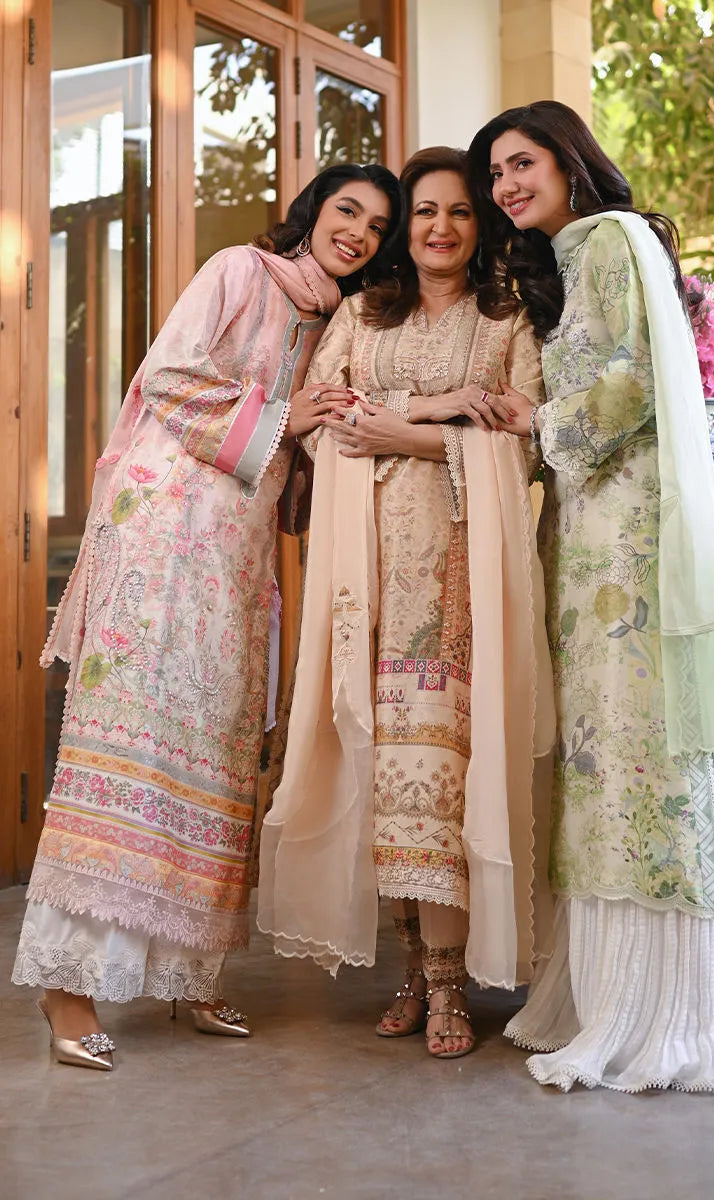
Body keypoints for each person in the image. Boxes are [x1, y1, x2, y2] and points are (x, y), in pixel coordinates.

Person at [12, 163, 404, 1070]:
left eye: (376, 226)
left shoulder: (330, 322)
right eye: (348, 210)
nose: (359, 232)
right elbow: (171, 378)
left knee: (217, 748)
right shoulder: (241, 271)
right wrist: (286, 414)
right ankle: (68, 987)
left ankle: (192, 973)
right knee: (134, 741)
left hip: (236, 557)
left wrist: (324, 428)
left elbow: (294, 463)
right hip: (161, 534)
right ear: (314, 212)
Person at [466, 100, 714, 1092]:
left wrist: (536, 420)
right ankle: (615, 998)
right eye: (495, 174)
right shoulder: (593, 246)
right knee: (616, 755)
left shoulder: (603, 238)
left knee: (630, 755)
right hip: (604, 536)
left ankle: (653, 1017)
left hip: (623, 549)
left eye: (520, 164)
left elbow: (631, 381)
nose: (505, 187)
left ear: (568, 160)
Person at [257, 146, 555, 1060]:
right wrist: (445, 407)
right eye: (422, 212)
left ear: (482, 225)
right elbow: (321, 416)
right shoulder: (360, 314)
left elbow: (527, 441)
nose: (439, 229)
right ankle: (414, 971)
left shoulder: (505, 322)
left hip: (460, 592)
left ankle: (453, 985)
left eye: (459, 213)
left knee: (447, 782)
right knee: (381, 781)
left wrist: (410, 430)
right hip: (369, 588)